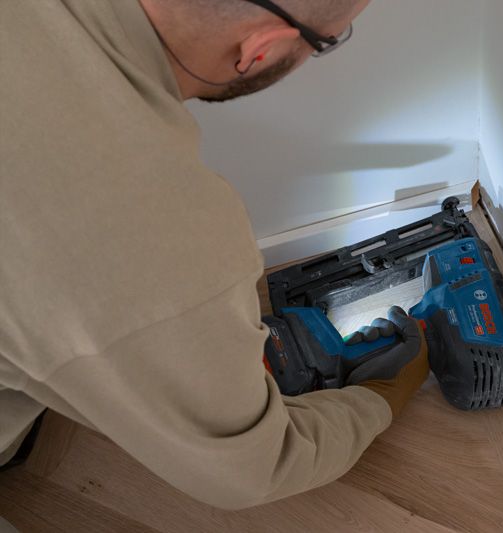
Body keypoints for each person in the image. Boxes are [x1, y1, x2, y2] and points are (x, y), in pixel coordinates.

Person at [0, 0, 429, 509]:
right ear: (257, 49)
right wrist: (379, 396)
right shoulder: (158, 232)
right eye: (329, 40)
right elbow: (257, 468)